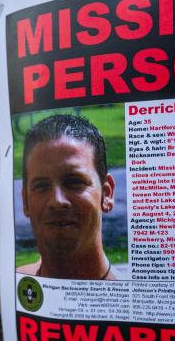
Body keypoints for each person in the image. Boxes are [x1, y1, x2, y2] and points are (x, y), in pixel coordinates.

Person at [17, 114, 117, 280]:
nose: (57, 201)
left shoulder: (136, 302)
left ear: (107, 193)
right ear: (25, 200)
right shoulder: (14, 287)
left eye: (73, 182)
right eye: (41, 186)